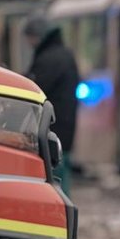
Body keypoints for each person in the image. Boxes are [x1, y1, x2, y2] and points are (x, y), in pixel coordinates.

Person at [24, 16, 80, 196]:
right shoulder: (64, 54)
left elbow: (35, 88)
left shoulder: (49, 59)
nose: (29, 42)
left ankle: (61, 218)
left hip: (52, 128)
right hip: (66, 125)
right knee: (62, 175)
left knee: (55, 178)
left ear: (39, 36)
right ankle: (65, 216)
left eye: (30, 38)